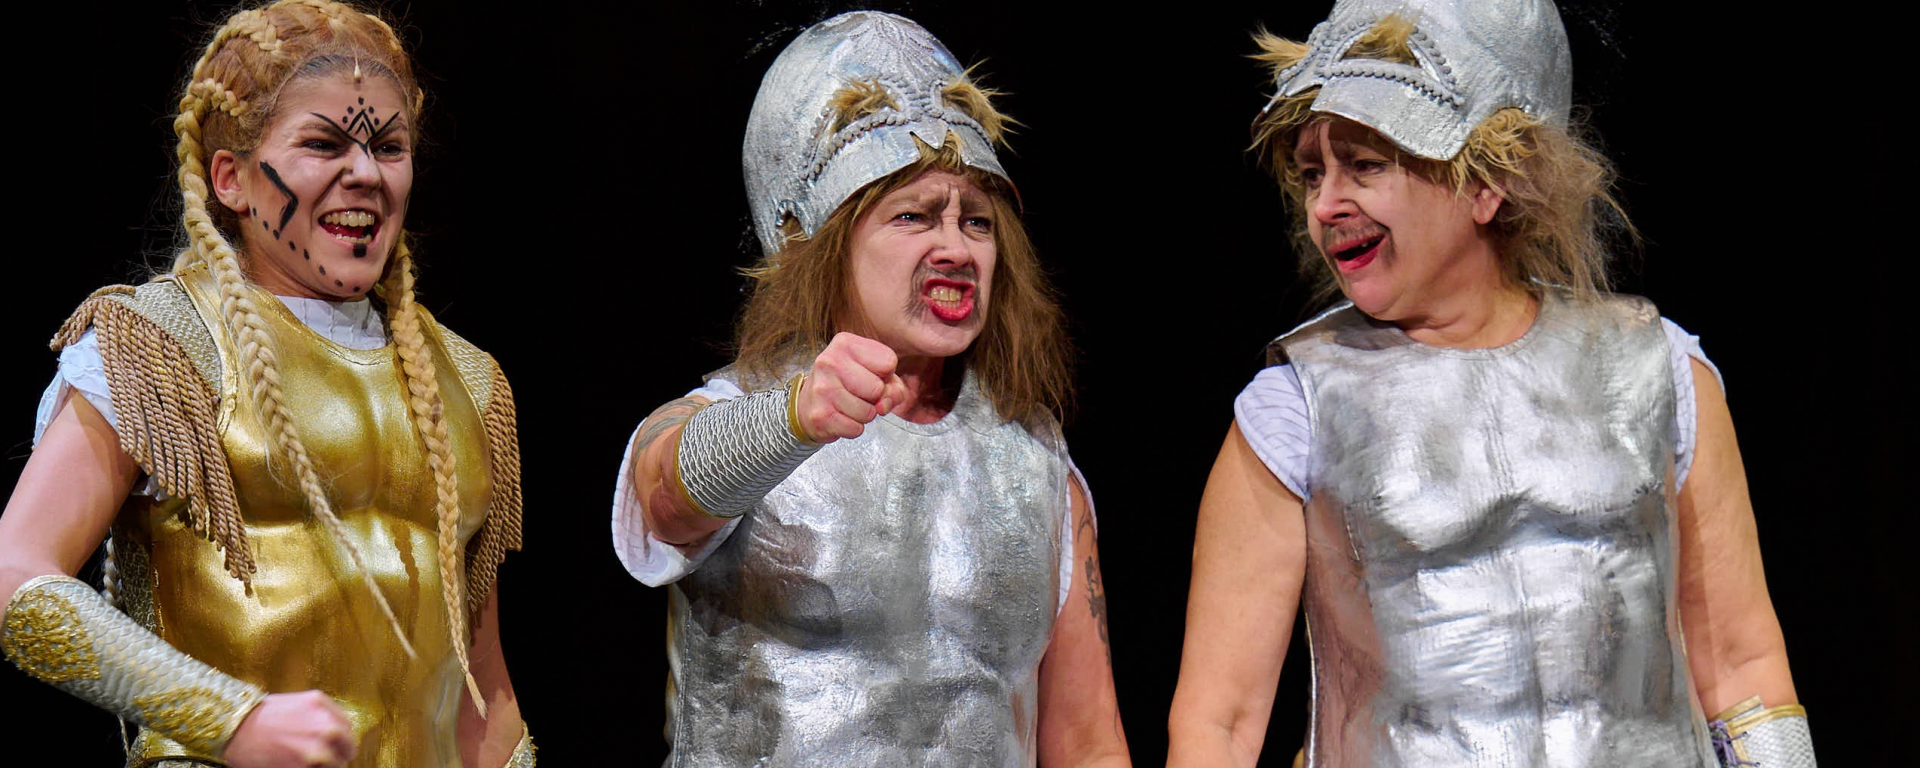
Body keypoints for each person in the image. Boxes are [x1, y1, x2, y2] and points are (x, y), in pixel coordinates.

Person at [1166, 1, 1812, 766]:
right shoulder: (1293, 408)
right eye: (1313, 175)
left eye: (1366, 165)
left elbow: (1742, 668)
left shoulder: (1660, 369)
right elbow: (1220, 725)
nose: (1326, 205)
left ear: (1488, 183)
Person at [0, 2, 534, 766]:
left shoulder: (471, 383)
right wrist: (228, 718)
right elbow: (14, 577)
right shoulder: (159, 345)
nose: (365, 173)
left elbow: (484, 695)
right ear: (232, 179)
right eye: (323, 144)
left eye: (388, 147)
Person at [610, 11, 1131, 767]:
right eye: (913, 216)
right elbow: (661, 496)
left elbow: (1086, 742)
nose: (954, 248)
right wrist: (791, 420)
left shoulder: (1038, 465)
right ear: (818, 247)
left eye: (976, 222)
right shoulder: (737, 415)